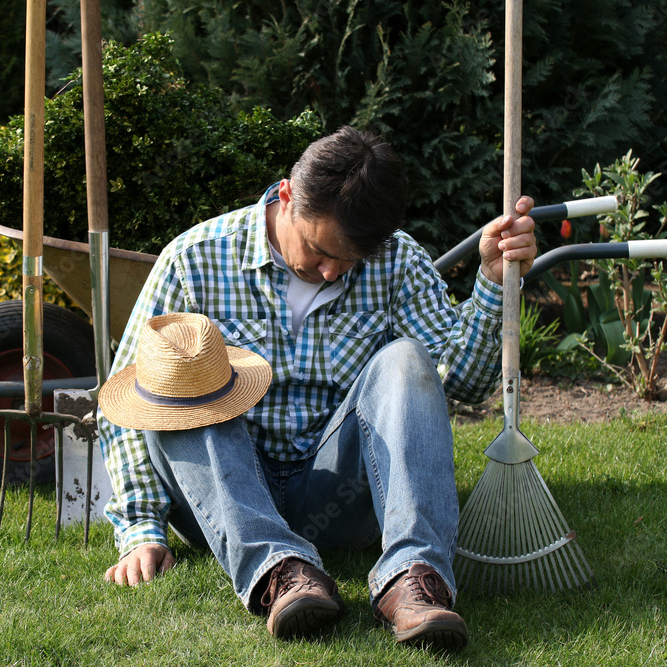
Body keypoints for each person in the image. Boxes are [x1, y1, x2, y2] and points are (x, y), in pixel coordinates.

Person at [96, 126, 537, 649]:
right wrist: (141, 528)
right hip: (226, 493)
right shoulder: (193, 260)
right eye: (319, 249)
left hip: (343, 497)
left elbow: (462, 382)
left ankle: (413, 577)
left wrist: (493, 283)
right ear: (286, 196)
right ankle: (278, 571)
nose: (330, 272)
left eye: (350, 260)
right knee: (176, 383)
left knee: (406, 360)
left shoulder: (397, 261)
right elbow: (127, 407)